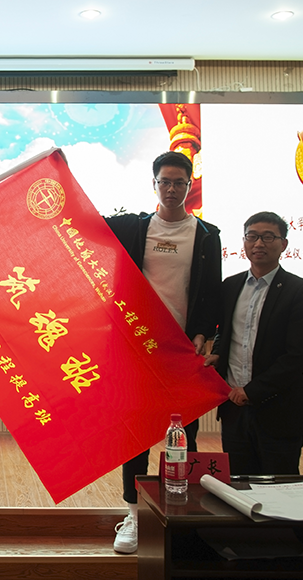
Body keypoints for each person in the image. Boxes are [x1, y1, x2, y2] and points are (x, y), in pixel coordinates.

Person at [104, 151, 222, 554]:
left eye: (179, 183)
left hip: (182, 352)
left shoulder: (206, 235)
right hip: (137, 350)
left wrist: (203, 333)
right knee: (135, 437)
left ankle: (181, 517)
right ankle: (134, 517)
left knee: (184, 436)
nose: (172, 189)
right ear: (154, 184)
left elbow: (212, 293)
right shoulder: (133, 227)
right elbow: (79, 223)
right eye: (165, 182)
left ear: (190, 186)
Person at [204, 211, 303, 475]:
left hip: (278, 411)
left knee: (280, 489)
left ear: (283, 244)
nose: (258, 244)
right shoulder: (230, 286)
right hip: (234, 409)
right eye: (252, 236)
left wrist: (253, 391)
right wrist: (218, 353)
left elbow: (298, 355)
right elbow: (224, 333)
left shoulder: (299, 290)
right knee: (239, 487)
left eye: (268, 237)